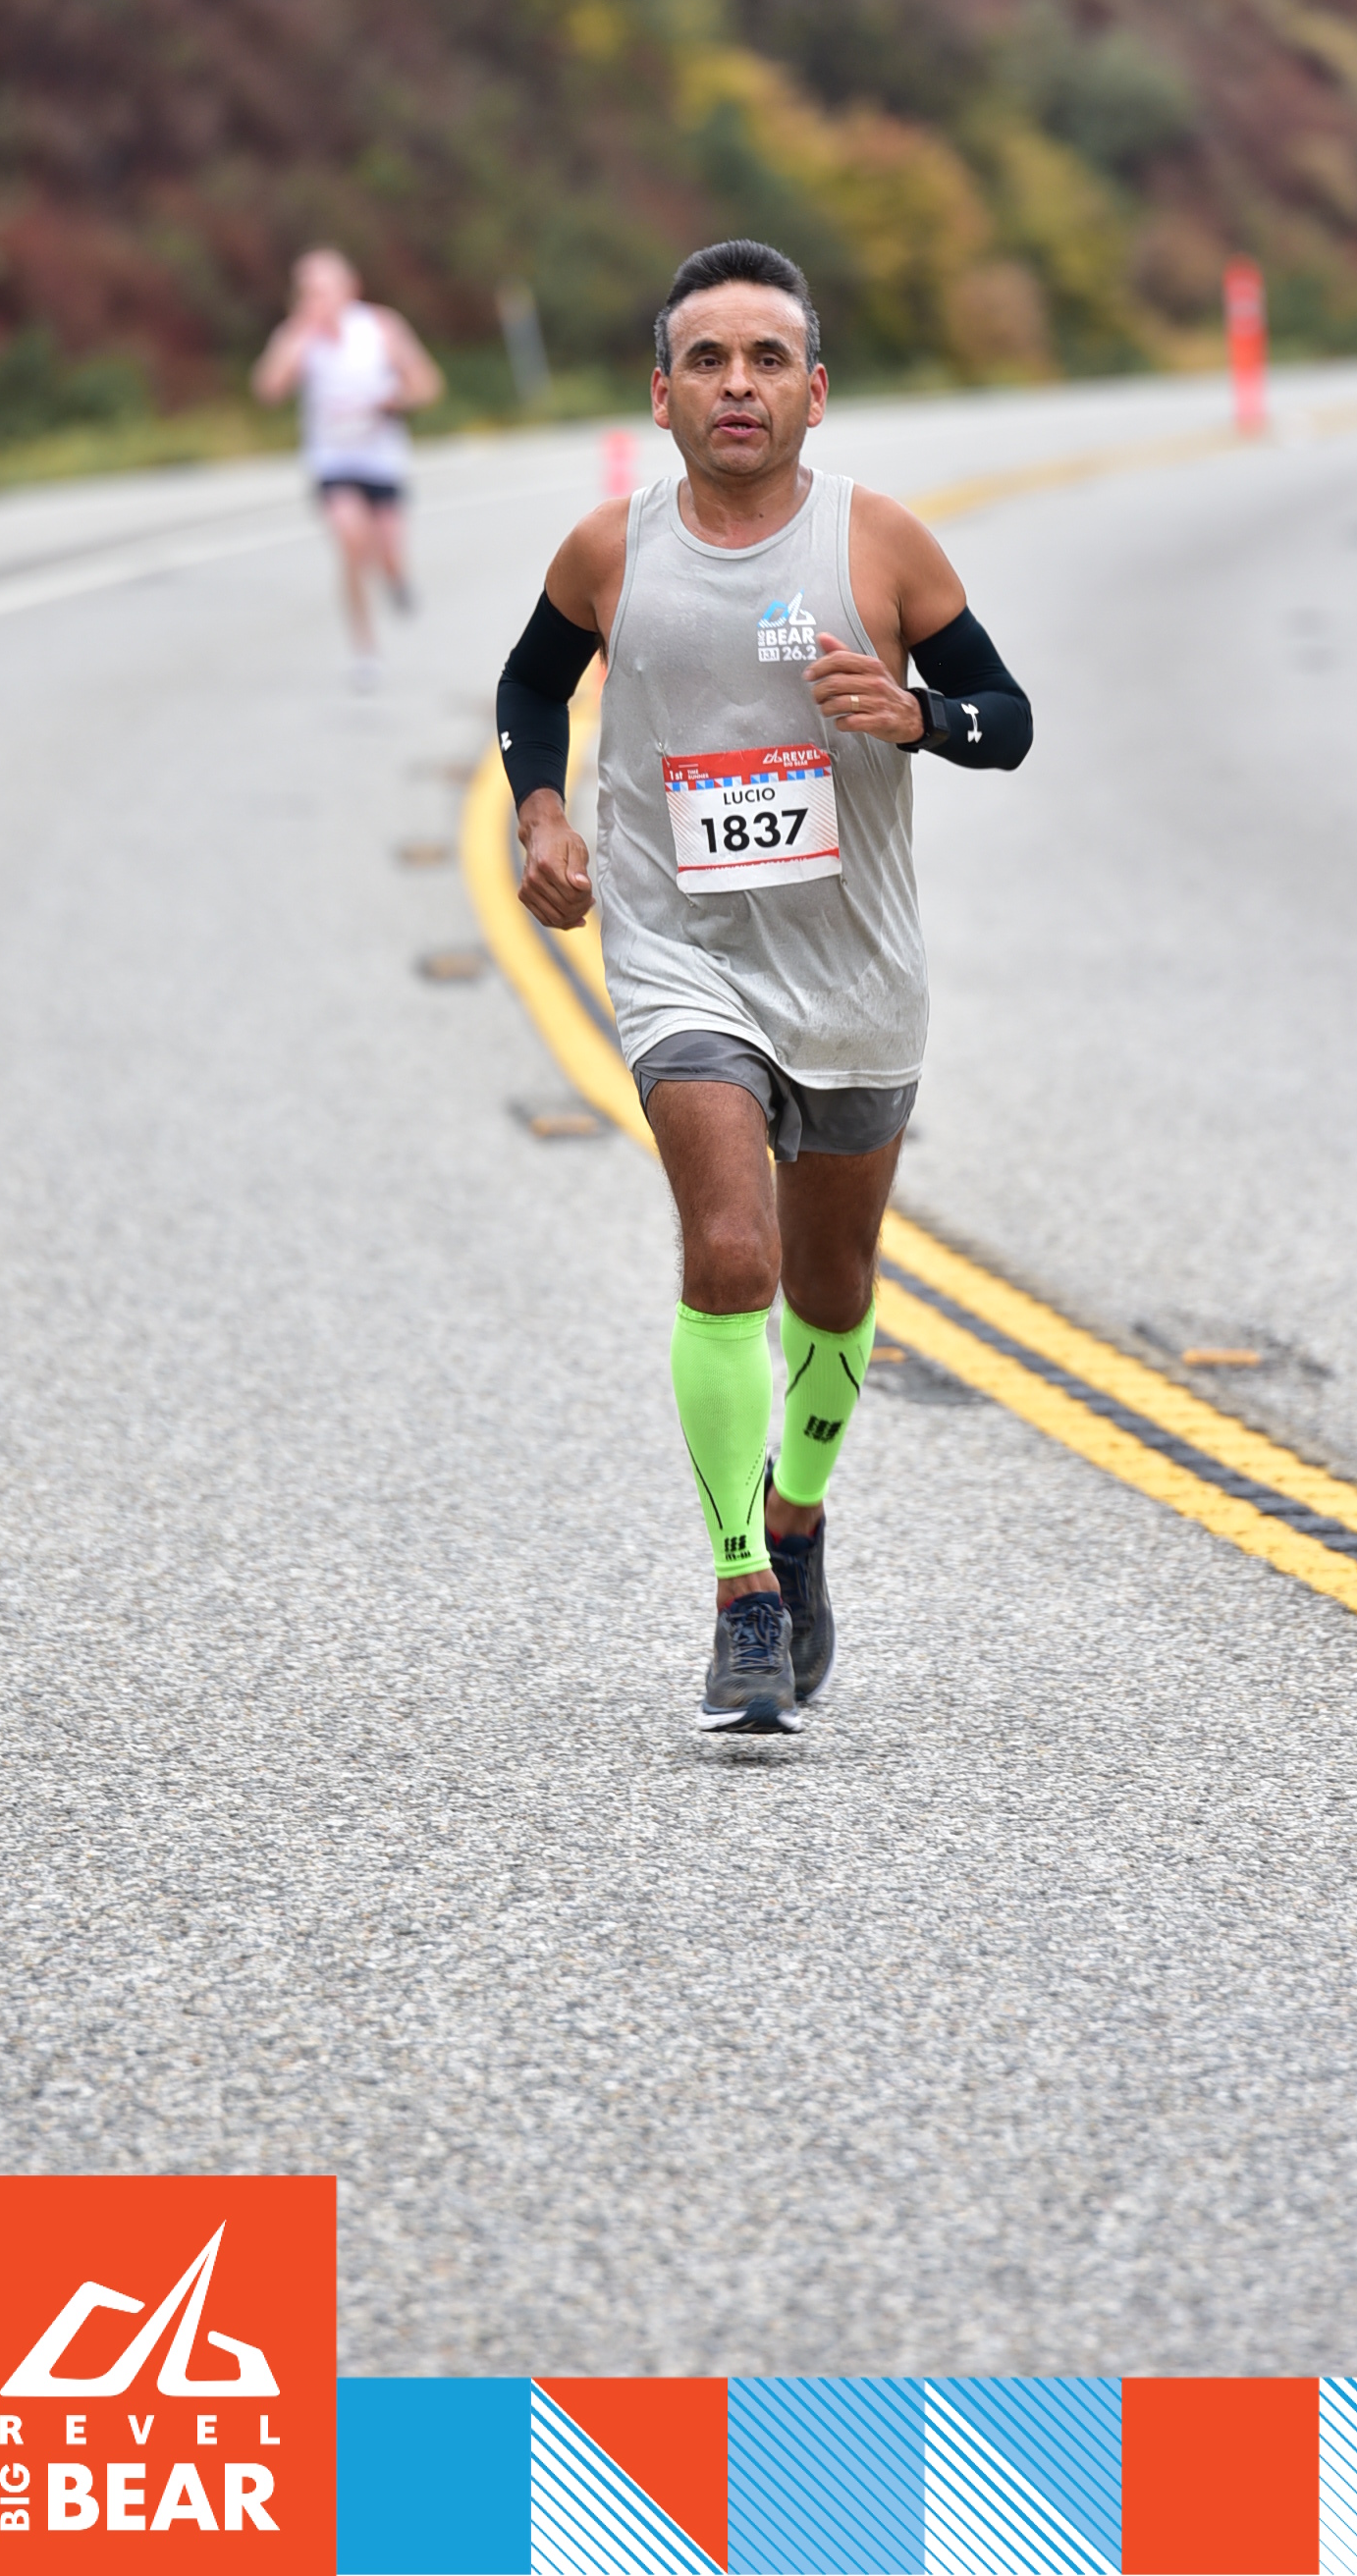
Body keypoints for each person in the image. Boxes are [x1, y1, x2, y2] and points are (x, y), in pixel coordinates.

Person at [496, 238, 1033, 1731]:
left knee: (832, 1286)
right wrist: (540, 812)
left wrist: (919, 716)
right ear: (661, 394)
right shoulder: (609, 551)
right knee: (730, 1252)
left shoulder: (880, 546)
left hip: (854, 968)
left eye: (768, 359)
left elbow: (1007, 717)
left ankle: (797, 1518)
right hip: (681, 953)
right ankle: (740, 1591)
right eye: (709, 361)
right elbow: (531, 684)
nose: (739, 384)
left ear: (815, 391)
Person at [252, 249, 445, 678]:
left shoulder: (381, 327)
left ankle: (396, 579)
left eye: (322, 290)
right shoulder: (299, 336)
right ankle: (365, 649)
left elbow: (428, 384)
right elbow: (267, 390)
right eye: (306, 291)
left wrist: (396, 400)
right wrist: (296, 339)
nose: (315, 299)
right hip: (332, 461)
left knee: (388, 553)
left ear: (349, 289)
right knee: (351, 542)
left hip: (382, 460)